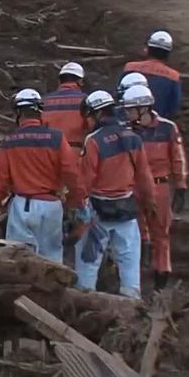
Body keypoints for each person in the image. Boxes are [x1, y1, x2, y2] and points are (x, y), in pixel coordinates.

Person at [75, 90, 156, 299]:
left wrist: (78, 212)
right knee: (129, 265)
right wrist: (150, 204)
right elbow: (145, 177)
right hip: (126, 211)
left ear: (97, 114)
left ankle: (86, 303)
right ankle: (132, 310)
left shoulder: (93, 141)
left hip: (97, 213)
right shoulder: (133, 137)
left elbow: (84, 181)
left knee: (87, 265)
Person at [0, 89, 84, 263]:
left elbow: (0, 183)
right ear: (40, 111)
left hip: (21, 207)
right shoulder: (57, 138)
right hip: (51, 206)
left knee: (18, 261)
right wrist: (76, 203)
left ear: (18, 113)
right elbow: (71, 173)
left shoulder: (9, 141)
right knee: (52, 260)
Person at [122, 84, 188, 290]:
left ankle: (161, 281)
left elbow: (177, 158)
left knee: (161, 235)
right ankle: (135, 282)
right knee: (135, 235)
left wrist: (181, 186)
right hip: (133, 189)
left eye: (131, 110)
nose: (128, 113)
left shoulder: (168, 128)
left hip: (159, 188)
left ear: (144, 108)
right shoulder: (125, 132)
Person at [123, 31, 182, 119]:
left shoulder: (130, 67)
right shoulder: (173, 76)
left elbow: (118, 95)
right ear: (168, 53)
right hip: (156, 125)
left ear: (148, 49)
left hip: (126, 121)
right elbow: (173, 108)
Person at [41, 62, 88, 150]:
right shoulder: (85, 100)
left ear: (59, 81)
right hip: (75, 152)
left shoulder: (44, 101)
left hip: (50, 153)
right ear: (80, 81)